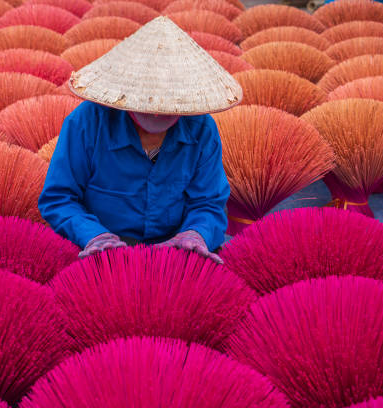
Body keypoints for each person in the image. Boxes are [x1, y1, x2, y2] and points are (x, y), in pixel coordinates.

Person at [38, 16, 243, 263]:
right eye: (146, 99)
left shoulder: (201, 130)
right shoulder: (86, 124)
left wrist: (195, 235)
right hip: (95, 254)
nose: (156, 111)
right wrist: (96, 237)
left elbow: (209, 203)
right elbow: (59, 198)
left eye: (168, 103)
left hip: (175, 256)